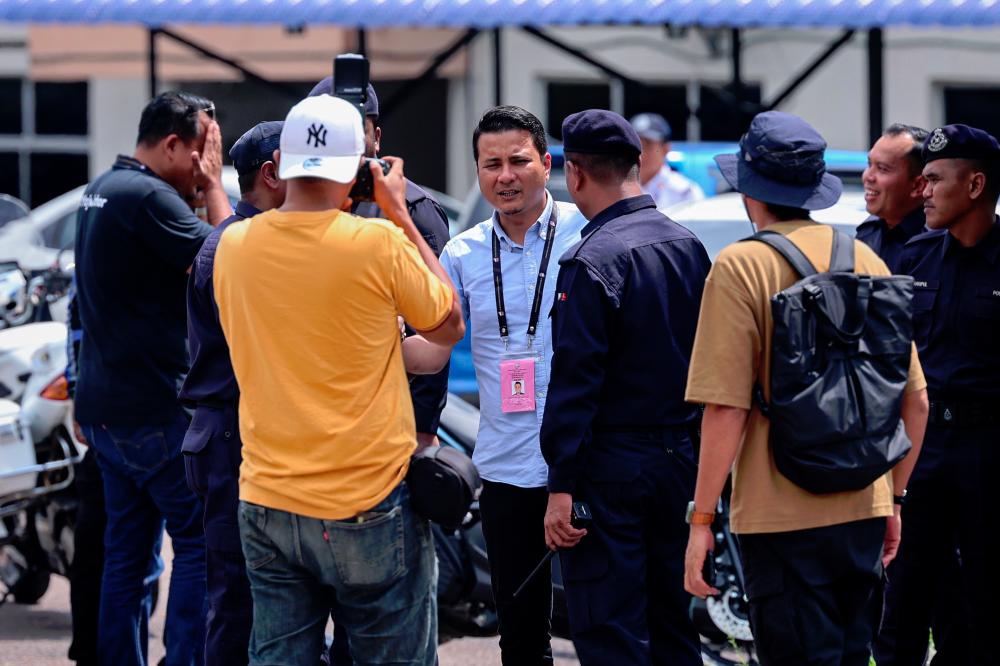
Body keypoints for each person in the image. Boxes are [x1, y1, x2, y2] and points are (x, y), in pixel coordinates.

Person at [212, 93, 464, 665]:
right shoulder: (376, 243)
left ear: (283, 161)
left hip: (268, 495)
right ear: (357, 167)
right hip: (367, 497)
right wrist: (399, 213)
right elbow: (448, 324)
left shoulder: (232, 245)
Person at [682, 111, 929, 666]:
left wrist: (701, 524)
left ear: (750, 190)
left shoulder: (740, 266)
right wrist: (894, 497)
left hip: (779, 517)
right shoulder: (866, 259)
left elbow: (726, 409)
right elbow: (915, 399)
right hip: (863, 506)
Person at [540, 109, 710, 666]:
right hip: (681, 460)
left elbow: (575, 381)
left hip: (610, 468)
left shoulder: (590, 260)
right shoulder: (689, 246)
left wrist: (561, 483)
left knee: (610, 629)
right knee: (673, 623)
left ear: (577, 175)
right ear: (639, 164)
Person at [73, 91, 231, 666]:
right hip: (155, 411)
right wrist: (214, 189)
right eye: (203, 149)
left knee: (128, 555)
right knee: (197, 544)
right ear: (172, 145)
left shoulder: (101, 189)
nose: (207, 163)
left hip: (107, 408)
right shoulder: (149, 197)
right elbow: (233, 262)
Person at [441, 105, 589, 666]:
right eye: (491, 164)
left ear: (546, 163)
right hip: (505, 467)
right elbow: (434, 344)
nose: (505, 176)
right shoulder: (462, 252)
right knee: (521, 637)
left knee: (601, 623)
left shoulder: (586, 233)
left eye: (518, 161)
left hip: (581, 464)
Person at [883, 124, 1000, 666]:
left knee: (983, 608)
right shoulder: (913, 258)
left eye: (933, 179)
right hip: (921, 451)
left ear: (975, 185)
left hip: (988, 451)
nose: (921, 191)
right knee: (903, 600)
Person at [178, 120, 285, 666]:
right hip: (229, 438)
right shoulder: (242, 247)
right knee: (238, 603)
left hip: (223, 433)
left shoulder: (234, 239)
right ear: (271, 175)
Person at [309, 76, 451, 451]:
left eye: (359, 132)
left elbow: (439, 323)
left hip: (388, 420)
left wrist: (422, 427)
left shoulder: (411, 209)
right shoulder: (298, 207)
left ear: (376, 137)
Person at [857, 124, 929, 272]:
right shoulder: (867, 233)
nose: (868, 177)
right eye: (869, 164)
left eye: (882, 169)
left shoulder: (939, 243)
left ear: (918, 186)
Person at [629, 112, 704, 210]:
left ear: (665, 149)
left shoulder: (684, 192)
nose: (641, 152)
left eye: (648, 145)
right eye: (636, 144)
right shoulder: (617, 190)